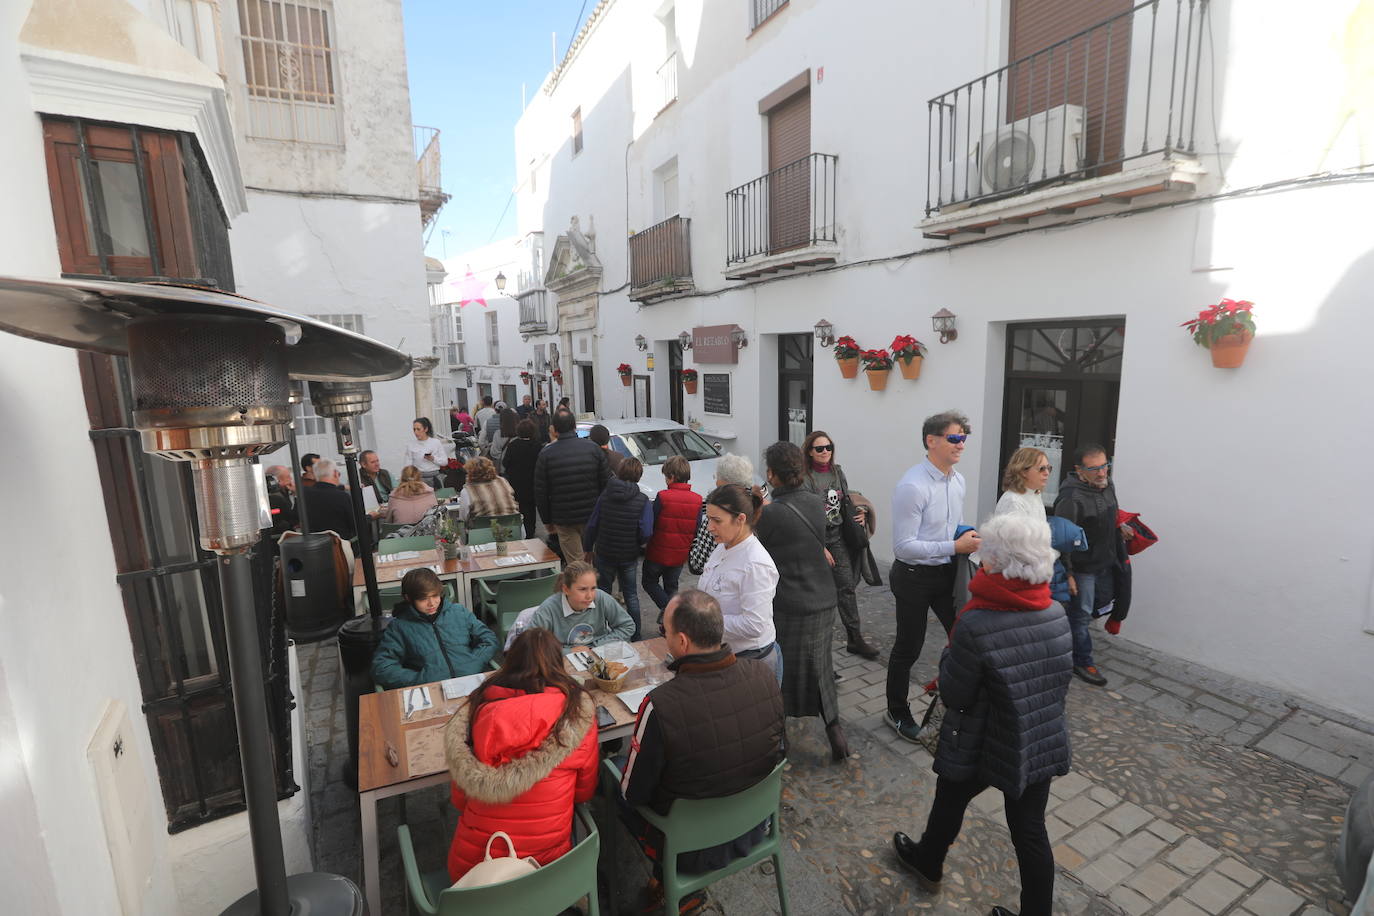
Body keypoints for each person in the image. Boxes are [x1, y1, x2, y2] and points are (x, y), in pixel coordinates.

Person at [892, 513, 1072, 916]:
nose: (980, 559)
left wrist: (948, 656)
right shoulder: (1055, 613)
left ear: (998, 561)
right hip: (1036, 739)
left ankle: (928, 862)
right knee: (1029, 831)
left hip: (980, 738)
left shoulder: (977, 621)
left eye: (985, 552)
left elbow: (955, 693)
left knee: (951, 798)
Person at [616, 588, 785, 913]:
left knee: (612, 778)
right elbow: (778, 751)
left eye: (664, 631)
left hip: (688, 845)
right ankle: (668, 886)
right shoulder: (765, 675)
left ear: (682, 641)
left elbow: (633, 794)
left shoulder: (660, 705)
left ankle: (667, 885)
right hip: (754, 826)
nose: (663, 637)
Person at [443, 628, 599, 883]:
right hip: (549, 869)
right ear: (557, 664)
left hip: (477, 874)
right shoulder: (575, 715)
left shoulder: (475, 713)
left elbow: (460, 801)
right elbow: (584, 792)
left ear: (510, 662)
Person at [885, 411, 982, 743]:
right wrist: (955, 545)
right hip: (913, 576)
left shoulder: (958, 481)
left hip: (947, 572)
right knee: (908, 647)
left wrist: (965, 539)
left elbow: (948, 527)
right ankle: (896, 712)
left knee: (964, 636)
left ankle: (954, 701)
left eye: (964, 438)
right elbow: (903, 547)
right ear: (932, 440)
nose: (961, 445)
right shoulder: (912, 486)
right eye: (955, 438)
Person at [755, 441, 849, 762]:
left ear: (772, 474)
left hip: (789, 604)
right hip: (823, 599)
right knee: (821, 667)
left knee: (780, 671)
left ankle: (780, 737)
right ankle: (835, 732)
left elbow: (758, 551)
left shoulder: (770, 515)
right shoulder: (814, 502)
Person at [801, 430, 880, 660]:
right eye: (819, 448)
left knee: (846, 587)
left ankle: (854, 638)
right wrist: (818, 546)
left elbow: (847, 499)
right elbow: (803, 513)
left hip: (838, 536)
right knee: (818, 595)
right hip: (816, 538)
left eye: (829, 447)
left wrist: (861, 512)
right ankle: (815, 648)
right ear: (809, 451)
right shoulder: (805, 478)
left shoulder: (838, 472)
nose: (825, 452)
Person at [1053, 443, 1126, 687]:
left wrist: (1122, 527)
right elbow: (1063, 539)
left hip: (1106, 561)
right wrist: (1069, 574)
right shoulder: (1071, 498)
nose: (1102, 472)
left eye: (1105, 465)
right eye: (1094, 468)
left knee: (1097, 607)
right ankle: (1081, 660)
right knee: (1081, 614)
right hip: (1083, 568)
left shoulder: (1107, 484)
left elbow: (1109, 512)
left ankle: (1066, 645)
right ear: (1079, 470)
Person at [697, 483, 781, 684]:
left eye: (717, 520)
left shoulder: (756, 564)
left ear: (740, 519)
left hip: (751, 660)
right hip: (724, 653)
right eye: (708, 519)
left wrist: (703, 621)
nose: (709, 527)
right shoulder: (723, 547)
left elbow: (755, 625)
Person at [371, 568, 498, 689]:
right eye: (423, 599)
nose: (431, 603)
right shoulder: (399, 627)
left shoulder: (459, 612)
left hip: (472, 683)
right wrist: (420, 679)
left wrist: (475, 660)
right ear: (408, 598)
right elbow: (382, 668)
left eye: (435, 595)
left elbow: (488, 638)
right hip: (433, 690)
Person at [585, 458, 654, 641]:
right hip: (628, 554)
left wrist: (588, 548)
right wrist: (638, 542)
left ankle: (603, 633)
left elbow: (593, 524)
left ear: (620, 472)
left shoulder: (605, 495)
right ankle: (636, 635)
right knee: (631, 595)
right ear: (639, 476)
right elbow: (646, 531)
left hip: (605, 552)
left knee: (603, 594)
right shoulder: (643, 500)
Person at [533, 410, 611, 562]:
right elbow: (606, 483)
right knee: (592, 558)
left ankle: (582, 584)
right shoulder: (593, 449)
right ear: (575, 426)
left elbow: (541, 491)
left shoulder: (546, 454)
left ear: (554, 429)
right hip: (592, 515)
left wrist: (547, 520)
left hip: (564, 518)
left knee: (575, 562)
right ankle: (593, 584)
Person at [642, 455, 702, 620]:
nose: (665, 481)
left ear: (672, 477)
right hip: (679, 554)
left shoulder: (663, 496)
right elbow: (696, 527)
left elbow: (651, 523)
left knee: (649, 582)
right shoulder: (697, 500)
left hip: (657, 552)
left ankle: (671, 612)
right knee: (671, 586)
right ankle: (671, 622)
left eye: (666, 477)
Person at [525, 561, 636, 648]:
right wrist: (566, 651)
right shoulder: (549, 609)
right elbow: (531, 643)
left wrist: (596, 646)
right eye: (582, 589)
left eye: (593, 588)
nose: (589, 596)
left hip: (600, 653)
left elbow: (628, 626)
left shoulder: (601, 597)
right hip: (562, 661)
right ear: (566, 589)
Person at [687, 453, 754, 576]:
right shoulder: (758, 504)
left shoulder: (719, 508)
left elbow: (697, 563)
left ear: (725, 482)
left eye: (717, 476)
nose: (715, 480)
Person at [501, 419, 542, 538]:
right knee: (532, 506)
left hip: (517, 482)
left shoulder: (513, 445)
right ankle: (532, 530)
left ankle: (523, 529)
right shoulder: (537, 445)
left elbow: (505, 463)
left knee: (521, 507)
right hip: (533, 481)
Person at [301, 458, 356, 540]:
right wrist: (371, 516)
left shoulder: (304, 495)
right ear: (335, 473)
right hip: (340, 545)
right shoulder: (342, 497)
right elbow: (355, 524)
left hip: (314, 546)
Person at [995, 447, 1052, 519]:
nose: (1047, 473)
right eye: (1041, 469)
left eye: (1048, 468)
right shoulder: (1013, 501)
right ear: (1023, 471)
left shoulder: (1035, 494)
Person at [460, 457, 520, 522]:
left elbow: (463, 517)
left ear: (470, 472)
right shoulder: (502, 481)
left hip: (484, 528)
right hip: (512, 525)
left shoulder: (468, 491)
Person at [405, 417, 449, 489]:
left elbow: (445, 462)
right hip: (418, 479)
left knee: (436, 499)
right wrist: (409, 479)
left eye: (418, 429)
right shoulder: (411, 445)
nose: (416, 432)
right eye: (414, 429)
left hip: (434, 478)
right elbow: (407, 465)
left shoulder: (436, 442)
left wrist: (433, 458)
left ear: (426, 429)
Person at [265, 465, 297, 534]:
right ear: (277, 480)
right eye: (288, 477)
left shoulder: (284, 492)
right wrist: (296, 495)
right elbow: (293, 518)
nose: (291, 479)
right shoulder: (276, 498)